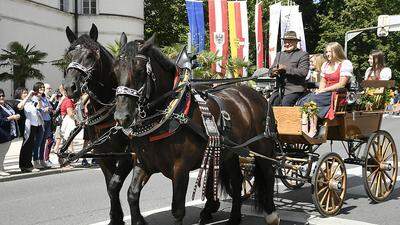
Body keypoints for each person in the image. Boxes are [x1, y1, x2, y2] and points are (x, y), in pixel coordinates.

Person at [297, 42, 353, 137]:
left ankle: (313, 128)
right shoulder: (326, 65)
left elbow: (341, 84)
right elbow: (323, 81)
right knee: (304, 99)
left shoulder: (345, 64)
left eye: (330, 52)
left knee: (313, 100)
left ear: (337, 52)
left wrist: (324, 90)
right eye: (326, 52)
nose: (327, 54)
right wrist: (320, 90)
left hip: (337, 93)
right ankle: (304, 126)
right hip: (326, 92)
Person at [269, 31, 310, 106]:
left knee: (285, 105)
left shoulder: (303, 55)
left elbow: (303, 72)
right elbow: (270, 71)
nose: (287, 44)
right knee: (270, 106)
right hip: (279, 89)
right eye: (285, 42)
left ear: (296, 42)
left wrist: (285, 68)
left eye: (290, 42)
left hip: (294, 89)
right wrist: (273, 72)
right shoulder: (279, 54)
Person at [18, 85, 45, 171]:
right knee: (26, 146)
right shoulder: (19, 101)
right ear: (19, 94)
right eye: (24, 93)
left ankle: (27, 165)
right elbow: (20, 106)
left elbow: (39, 107)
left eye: (26, 92)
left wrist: (39, 98)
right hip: (27, 126)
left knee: (30, 145)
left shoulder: (30, 101)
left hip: (34, 125)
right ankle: (26, 165)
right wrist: (28, 96)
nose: (26, 94)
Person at [0, 89, 20, 176]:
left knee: (4, 153)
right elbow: (1, 120)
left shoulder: (6, 105)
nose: (1, 97)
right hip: (2, 133)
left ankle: (1, 167)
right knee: (1, 152)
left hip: (9, 132)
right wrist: (12, 117)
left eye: (2, 95)